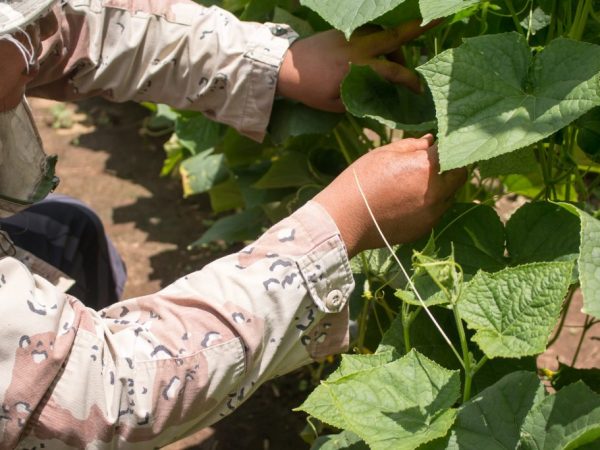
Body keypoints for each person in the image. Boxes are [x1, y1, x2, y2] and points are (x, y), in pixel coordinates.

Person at [0, 0, 465, 448]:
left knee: (71, 233)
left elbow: (73, 28)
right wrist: (346, 221)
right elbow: (110, 394)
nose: (28, 54)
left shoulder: (17, 43)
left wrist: (273, 63)